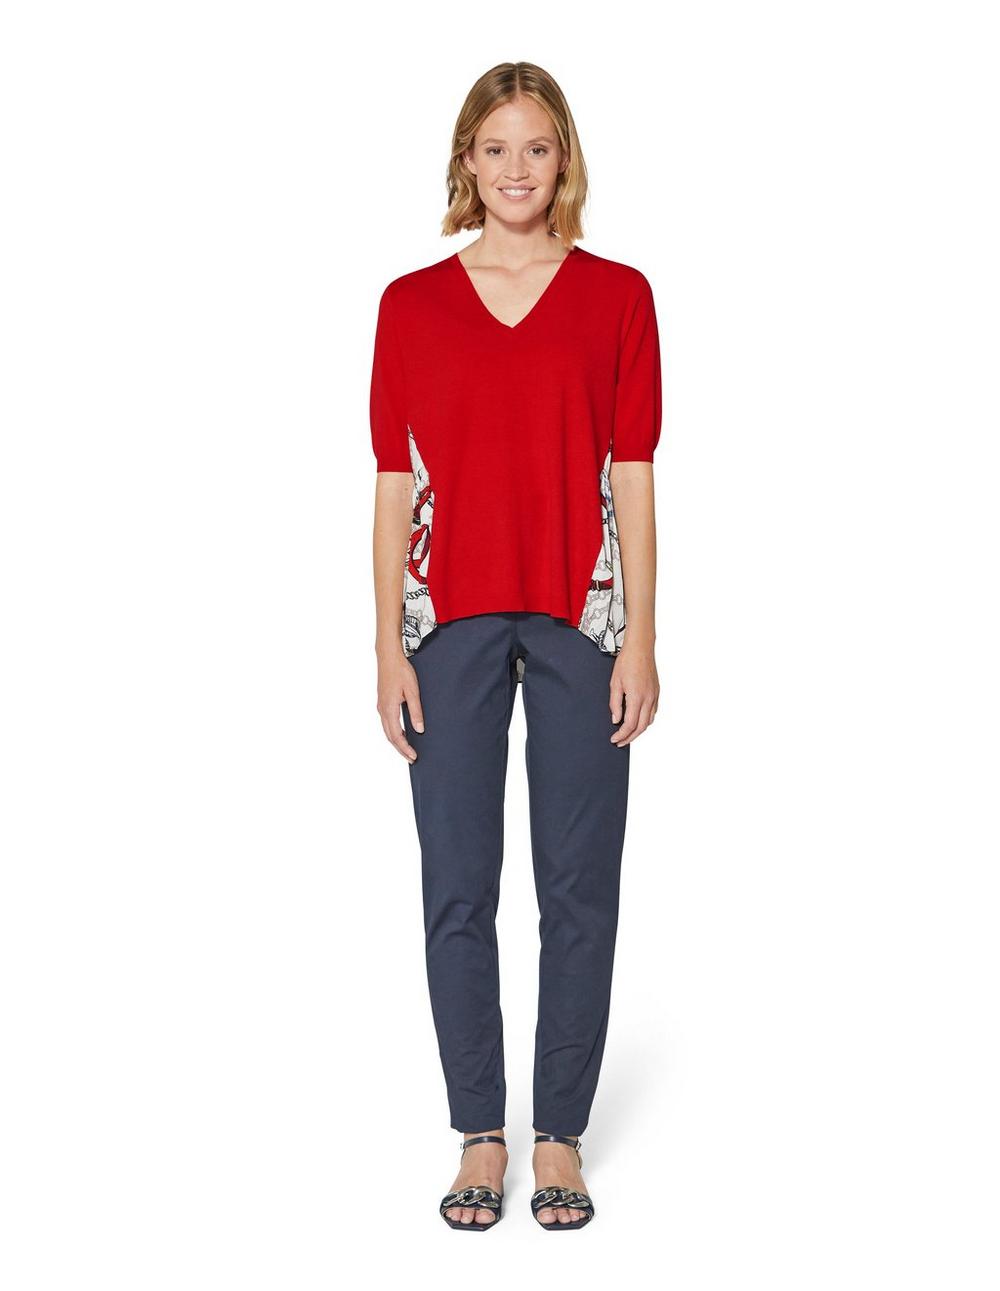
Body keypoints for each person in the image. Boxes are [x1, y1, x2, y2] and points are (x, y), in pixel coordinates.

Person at [370, 61, 662, 1231]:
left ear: (564, 159)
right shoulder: (409, 304)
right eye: (495, 148)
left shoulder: (618, 296)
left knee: (578, 883)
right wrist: (384, 646)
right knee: (457, 882)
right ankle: (480, 1133)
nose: (515, 169)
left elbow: (632, 472)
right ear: (466, 160)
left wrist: (640, 637)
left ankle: (560, 1137)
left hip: (581, 613)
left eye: (536, 147)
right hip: (444, 617)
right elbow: (393, 483)